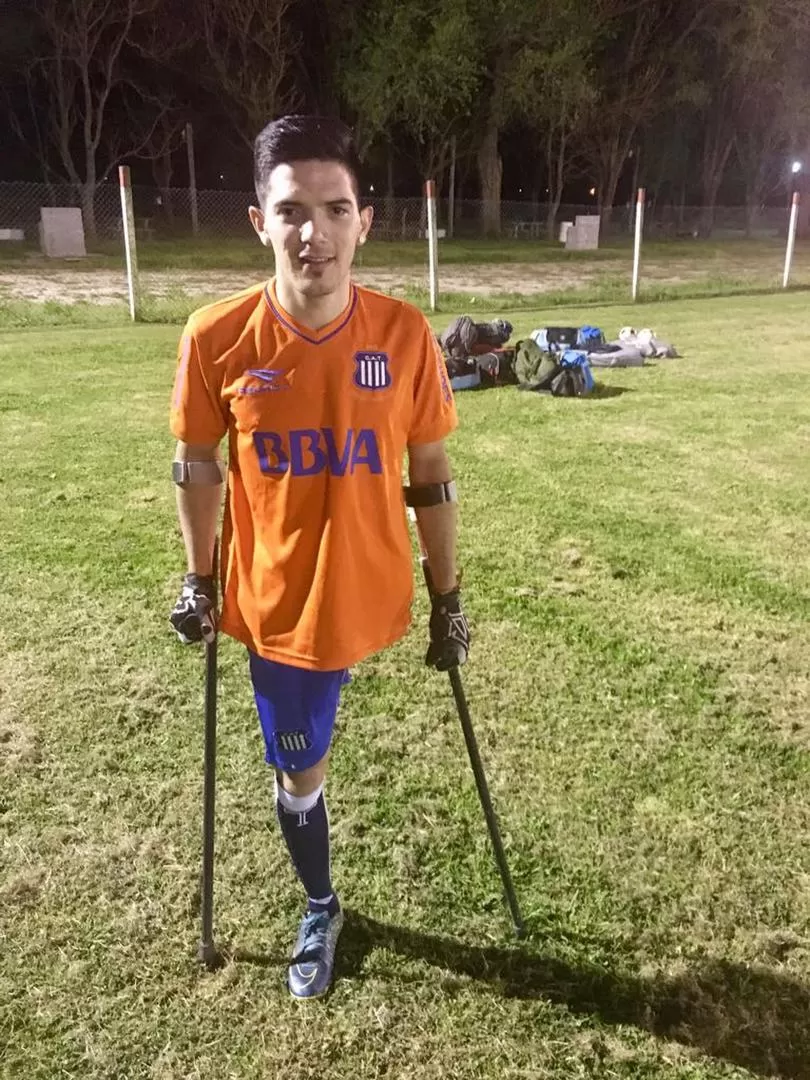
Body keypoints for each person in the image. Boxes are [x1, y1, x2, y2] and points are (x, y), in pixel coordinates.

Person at [168, 115, 470, 1000]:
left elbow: (432, 470)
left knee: (312, 752)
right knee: (299, 769)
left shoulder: (406, 334)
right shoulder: (215, 338)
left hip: (372, 591)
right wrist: (197, 578)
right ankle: (322, 902)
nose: (315, 233)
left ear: (364, 222)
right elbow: (195, 460)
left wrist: (448, 597)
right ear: (259, 221)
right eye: (291, 210)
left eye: (335, 209)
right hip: (280, 606)